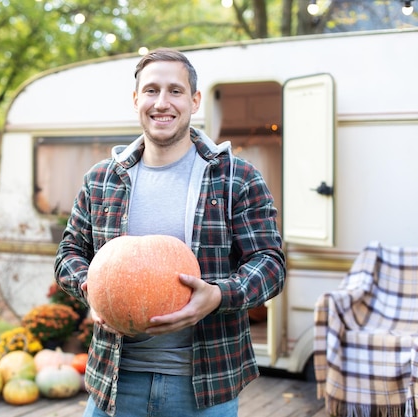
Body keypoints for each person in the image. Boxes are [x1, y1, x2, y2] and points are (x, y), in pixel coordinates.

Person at [54, 48, 286, 417]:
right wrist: (90, 287)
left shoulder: (235, 178)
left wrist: (218, 295)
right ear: (136, 100)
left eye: (175, 91)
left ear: (194, 100)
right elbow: (69, 252)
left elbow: (270, 264)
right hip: (115, 381)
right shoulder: (101, 179)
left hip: (205, 385)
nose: (162, 102)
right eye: (151, 90)